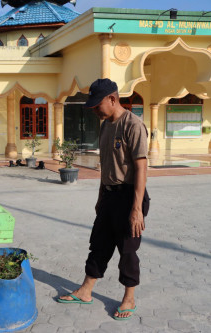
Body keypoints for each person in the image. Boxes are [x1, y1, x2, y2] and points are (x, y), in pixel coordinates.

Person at [57, 78, 150, 320]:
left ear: (112, 98)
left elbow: (141, 169)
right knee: (98, 244)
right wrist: (100, 197)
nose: (94, 110)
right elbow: (106, 165)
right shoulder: (106, 126)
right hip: (109, 196)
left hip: (130, 197)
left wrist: (137, 209)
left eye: (97, 105)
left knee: (127, 250)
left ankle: (129, 297)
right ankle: (86, 290)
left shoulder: (133, 125)